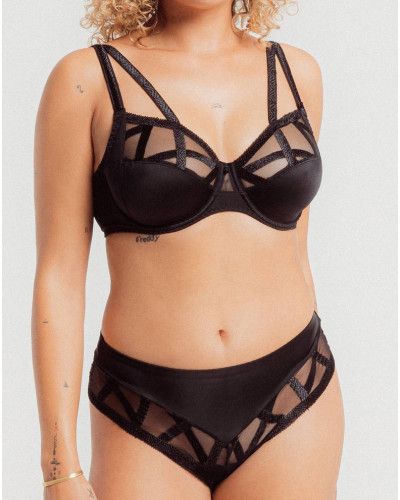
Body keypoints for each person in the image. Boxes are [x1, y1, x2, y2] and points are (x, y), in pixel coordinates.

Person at [32, 1, 345, 498]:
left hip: (293, 390)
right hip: (144, 405)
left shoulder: (295, 73)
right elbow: (60, 277)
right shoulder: (86, 80)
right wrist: (59, 467)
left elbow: (296, 251)